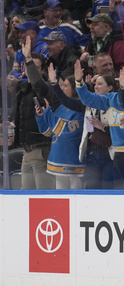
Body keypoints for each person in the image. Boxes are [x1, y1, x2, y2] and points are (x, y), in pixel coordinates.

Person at [75, 60, 124, 189]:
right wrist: (79, 83)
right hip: (119, 155)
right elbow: (89, 99)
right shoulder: (112, 98)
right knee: (120, 196)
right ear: (118, 79)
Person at [24, 37, 85, 190]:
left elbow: (66, 132)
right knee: (60, 198)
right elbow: (49, 132)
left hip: (74, 163)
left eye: (65, 86)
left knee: (77, 199)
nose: (62, 88)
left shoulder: (81, 108)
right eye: (61, 85)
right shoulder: (59, 107)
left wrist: (49, 113)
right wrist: (28, 60)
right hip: (57, 161)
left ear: (74, 89)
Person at [12, 52, 55, 190]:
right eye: (28, 66)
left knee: (43, 195)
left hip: (41, 148)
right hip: (27, 151)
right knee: (26, 194)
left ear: (42, 70)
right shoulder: (23, 90)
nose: (30, 70)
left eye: (35, 67)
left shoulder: (45, 89)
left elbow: (39, 88)